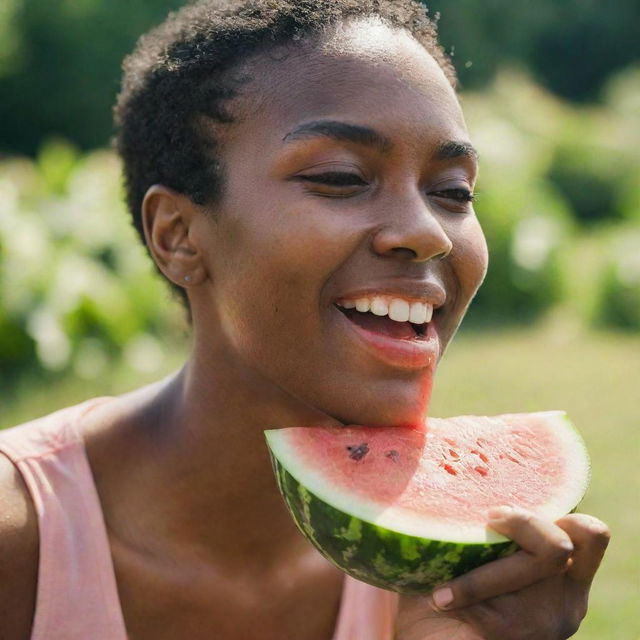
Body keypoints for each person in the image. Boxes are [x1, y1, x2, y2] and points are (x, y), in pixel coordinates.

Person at [0, 1, 610, 638]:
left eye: (453, 190)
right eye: (341, 177)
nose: (427, 233)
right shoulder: (19, 538)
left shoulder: (460, 578)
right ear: (178, 236)